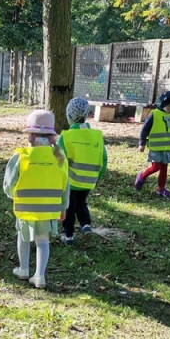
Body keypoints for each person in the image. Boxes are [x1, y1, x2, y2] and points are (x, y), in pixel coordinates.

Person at [3, 110, 69, 289]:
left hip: (25, 208)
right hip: (48, 209)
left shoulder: (21, 156)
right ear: (52, 136)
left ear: (29, 136)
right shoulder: (60, 157)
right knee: (43, 242)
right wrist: (63, 207)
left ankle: (24, 269)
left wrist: (13, 195)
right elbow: (65, 186)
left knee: (23, 237)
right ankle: (39, 276)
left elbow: (9, 183)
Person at [58, 97, 107, 245]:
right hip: (89, 180)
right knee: (81, 203)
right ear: (86, 115)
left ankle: (68, 235)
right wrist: (99, 175)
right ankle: (86, 224)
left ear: (69, 116)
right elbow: (103, 157)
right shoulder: (96, 135)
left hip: (71, 181)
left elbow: (60, 161)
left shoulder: (66, 137)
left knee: (69, 207)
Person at [134, 90, 170, 197]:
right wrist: (142, 143)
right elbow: (144, 130)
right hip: (156, 147)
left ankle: (161, 189)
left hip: (168, 148)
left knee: (164, 169)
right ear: (164, 104)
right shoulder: (154, 115)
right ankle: (142, 176)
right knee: (156, 167)